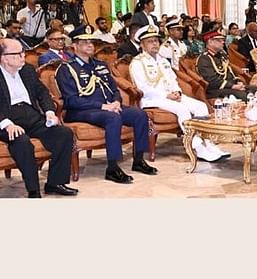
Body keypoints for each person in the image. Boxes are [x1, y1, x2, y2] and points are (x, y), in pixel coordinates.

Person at [55, 28, 158, 183]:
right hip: (82, 110)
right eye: (85, 42)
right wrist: (103, 106)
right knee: (113, 118)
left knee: (139, 115)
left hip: (109, 106)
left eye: (91, 42)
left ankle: (138, 160)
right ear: (74, 47)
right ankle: (112, 167)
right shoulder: (67, 69)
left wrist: (116, 101)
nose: (90, 45)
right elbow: (71, 100)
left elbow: (113, 89)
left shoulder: (100, 65)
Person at [129, 25, 230, 162]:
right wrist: (166, 95)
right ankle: (197, 148)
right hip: (153, 99)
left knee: (201, 106)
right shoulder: (137, 63)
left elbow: (172, 79)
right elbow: (143, 88)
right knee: (183, 110)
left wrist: (177, 91)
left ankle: (208, 144)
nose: (154, 44)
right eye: (150, 41)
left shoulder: (163, 60)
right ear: (142, 44)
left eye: (156, 41)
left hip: (172, 96)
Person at [0, 38, 76, 198]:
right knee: (22, 142)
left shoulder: (27, 70)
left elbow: (42, 92)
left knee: (64, 134)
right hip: (6, 118)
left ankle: (55, 183)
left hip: (30, 115)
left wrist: (49, 112)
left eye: (23, 52)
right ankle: (33, 190)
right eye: (18, 53)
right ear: (4, 57)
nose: (23, 56)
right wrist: (7, 124)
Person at [197, 31, 252, 101]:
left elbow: (231, 72)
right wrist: (232, 86)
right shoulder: (204, 59)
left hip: (229, 87)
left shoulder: (221, 56)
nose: (223, 42)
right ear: (210, 42)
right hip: (216, 90)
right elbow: (211, 80)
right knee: (244, 95)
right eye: (219, 40)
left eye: (223, 40)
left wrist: (238, 82)